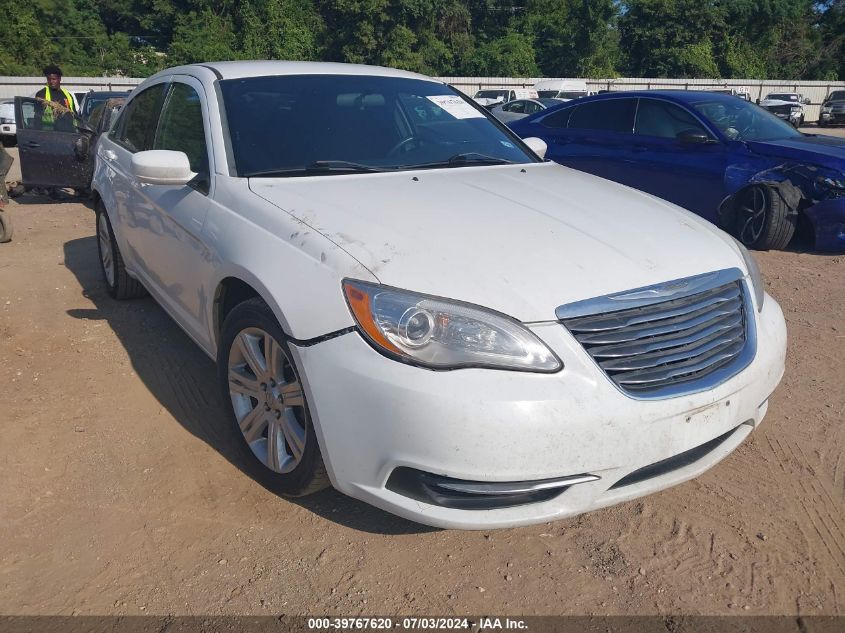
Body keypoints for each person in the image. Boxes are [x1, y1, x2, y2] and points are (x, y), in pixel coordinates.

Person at [35, 64, 78, 132]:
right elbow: (37, 117)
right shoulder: (42, 94)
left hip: (69, 133)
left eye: (54, 79)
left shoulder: (68, 95)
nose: (51, 82)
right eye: (49, 79)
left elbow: (75, 115)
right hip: (51, 134)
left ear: (60, 79)